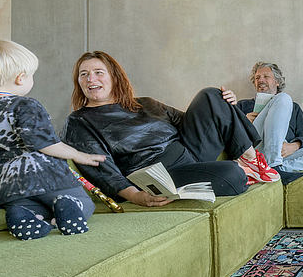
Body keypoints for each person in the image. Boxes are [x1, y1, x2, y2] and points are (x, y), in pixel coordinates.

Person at [62, 51, 279, 207]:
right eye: (84, 74)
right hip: (161, 175)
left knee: (211, 94)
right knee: (233, 175)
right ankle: (242, 168)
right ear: (78, 82)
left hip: (189, 151)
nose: (91, 79)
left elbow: (194, 121)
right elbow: (104, 170)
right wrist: (135, 196)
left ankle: (250, 158)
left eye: (99, 72)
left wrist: (223, 105)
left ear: (114, 77)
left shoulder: (144, 103)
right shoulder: (80, 121)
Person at [0, 40, 106, 240]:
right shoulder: (25, 105)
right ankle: (67, 204)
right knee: (83, 203)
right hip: (45, 174)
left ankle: (23, 214)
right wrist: (80, 155)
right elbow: (45, 144)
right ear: (21, 78)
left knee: (28, 205)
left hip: (7, 182)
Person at [221, 61, 303, 178]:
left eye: (266, 76)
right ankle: (274, 164)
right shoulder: (243, 106)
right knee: (284, 98)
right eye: (257, 78)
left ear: (277, 82)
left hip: (286, 155)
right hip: (256, 151)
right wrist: (244, 123)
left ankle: (276, 169)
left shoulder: (293, 108)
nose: (260, 80)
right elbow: (228, 133)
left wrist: (294, 146)